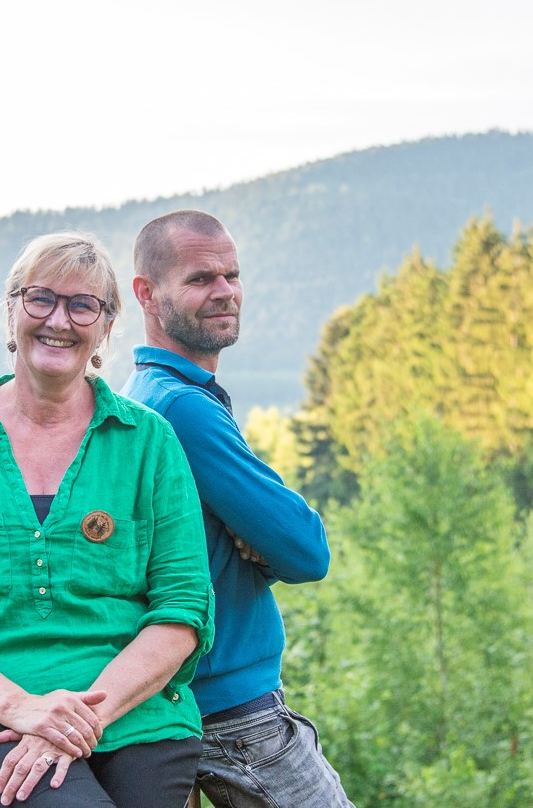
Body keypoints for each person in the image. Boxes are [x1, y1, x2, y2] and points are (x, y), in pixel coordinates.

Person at [0, 232, 214, 808]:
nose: (60, 319)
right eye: (40, 299)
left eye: (83, 305)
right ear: (10, 311)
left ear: (106, 327)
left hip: (134, 714)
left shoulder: (149, 442)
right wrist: (22, 708)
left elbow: (181, 613)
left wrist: (74, 719)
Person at [122, 210, 355, 808]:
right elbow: (307, 549)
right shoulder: (183, 412)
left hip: (191, 697)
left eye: (232, 274)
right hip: (233, 711)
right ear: (146, 294)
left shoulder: (147, 395)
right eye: (201, 278)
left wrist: (255, 543)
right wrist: (260, 546)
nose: (225, 291)